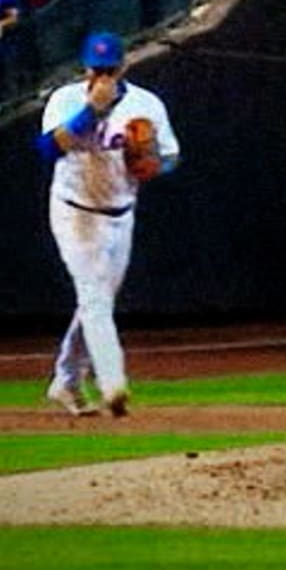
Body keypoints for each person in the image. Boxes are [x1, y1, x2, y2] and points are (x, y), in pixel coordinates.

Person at [38, 31, 181, 419]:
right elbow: (47, 149)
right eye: (94, 68)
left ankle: (66, 381)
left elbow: (170, 155)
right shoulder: (66, 99)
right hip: (73, 211)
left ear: (122, 66)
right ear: (85, 66)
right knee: (95, 297)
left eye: (107, 69)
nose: (100, 76)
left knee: (96, 300)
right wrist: (90, 113)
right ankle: (113, 383)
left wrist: (153, 164)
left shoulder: (145, 104)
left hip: (121, 213)